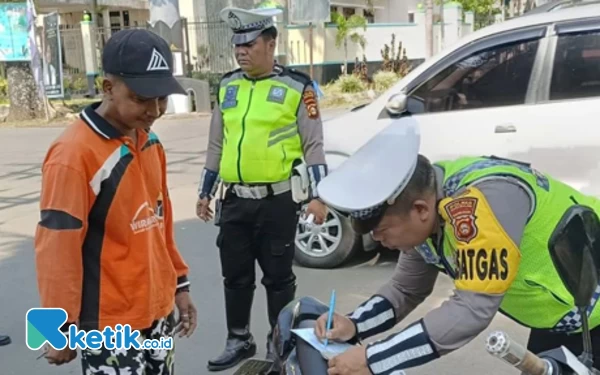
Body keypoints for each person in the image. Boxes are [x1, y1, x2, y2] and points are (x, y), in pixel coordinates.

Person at [311, 118, 600, 375]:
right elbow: (406, 289)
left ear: (420, 210)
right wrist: (354, 323)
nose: (376, 240)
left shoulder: (478, 204)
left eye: (382, 230)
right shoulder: (428, 205)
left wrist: (374, 359)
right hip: (566, 318)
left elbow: (471, 309)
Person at [34, 29, 197, 374]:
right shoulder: (73, 155)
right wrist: (57, 327)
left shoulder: (149, 142)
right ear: (108, 88)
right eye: (142, 98)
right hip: (110, 327)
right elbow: (56, 249)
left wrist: (178, 284)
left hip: (157, 312)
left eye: (162, 98)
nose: (155, 110)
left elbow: (160, 222)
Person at [196, 6, 329, 372]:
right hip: (235, 200)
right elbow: (216, 145)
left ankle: (279, 345)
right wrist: (205, 191)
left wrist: (318, 196)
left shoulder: (299, 87)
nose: (241, 51)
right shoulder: (227, 85)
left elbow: (314, 145)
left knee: (278, 279)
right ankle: (238, 339)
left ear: (271, 44)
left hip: (277, 203)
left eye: (249, 44)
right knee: (235, 276)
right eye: (237, 45)